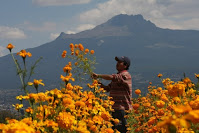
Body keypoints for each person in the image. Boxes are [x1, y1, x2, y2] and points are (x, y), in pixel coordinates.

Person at [92, 56, 132, 133]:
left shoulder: (125, 75)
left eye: (119, 62)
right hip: (115, 109)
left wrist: (98, 76)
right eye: (117, 62)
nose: (117, 64)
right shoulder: (118, 77)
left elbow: (112, 77)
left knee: (121, 131)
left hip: (122, 109)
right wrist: (98, 83)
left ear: (125, 65)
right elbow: (107, 88)